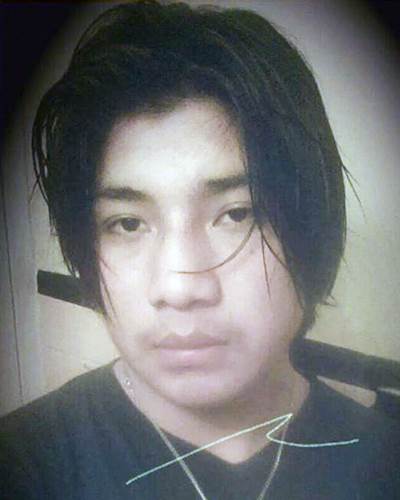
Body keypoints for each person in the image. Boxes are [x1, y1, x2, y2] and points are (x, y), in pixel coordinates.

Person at [1, 1, 399, 498]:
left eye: (236, 214)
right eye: (128, 223)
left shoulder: (384, 465)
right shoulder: (25, 465)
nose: (179, 287)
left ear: (312, 222)